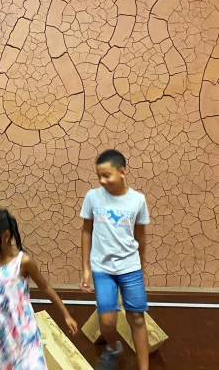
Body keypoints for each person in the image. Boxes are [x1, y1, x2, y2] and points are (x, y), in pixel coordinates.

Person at [0, 208, 78, 370]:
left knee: (30, 366)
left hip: (22, 327)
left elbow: (46, 287)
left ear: (5, 236)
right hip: (0, 327)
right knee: (5, 365)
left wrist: (66, 315)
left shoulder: (23, 261)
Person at [79, 149, 150, 370]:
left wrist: (140, 266)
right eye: (99, 176)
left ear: (122, 172)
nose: (102, 180)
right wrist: (86, 269)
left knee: (137, 318)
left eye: (107, 175)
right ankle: (115, 348)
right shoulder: (93, 197)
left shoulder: (138, 200)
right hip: (103, 268)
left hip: (130, 267)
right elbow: (86, 231)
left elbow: (140, 235)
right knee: (107, 322)